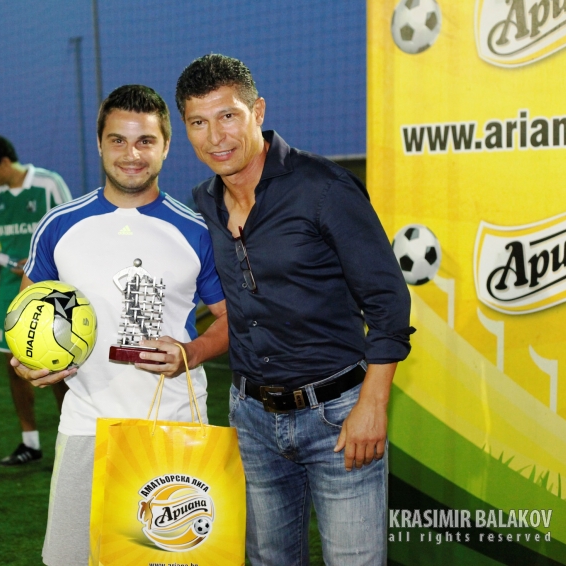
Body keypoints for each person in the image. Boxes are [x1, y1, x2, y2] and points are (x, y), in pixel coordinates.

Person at [176, 54, 413, 565]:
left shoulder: (323, 187)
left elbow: (388, 301)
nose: (215, 137)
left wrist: (372, 404)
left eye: (228, 115)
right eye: (198, 122)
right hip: (251, 421)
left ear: (257, 111)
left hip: (338, 417)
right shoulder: (202, 204)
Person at [10, 84, 229, 566]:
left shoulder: (195, 230)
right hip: (86, 424)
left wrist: (190, 352)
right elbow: (27, 316)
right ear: (100, 144)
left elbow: (231, 318)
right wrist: (28, 363)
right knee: (69, 559)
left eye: (145, 141)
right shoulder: (59, 225)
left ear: (166, 146)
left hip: (173, 424)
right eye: (118, 140)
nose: (132, 154)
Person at [0, 134, 72, 466]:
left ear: (4, 162)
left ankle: (70, 438)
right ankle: (29, 442)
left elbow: (71, 231)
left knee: (58, 365)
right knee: (14, 366)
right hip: (10, 292)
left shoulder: (48, 184)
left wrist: (42, 262)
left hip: (50, 289)